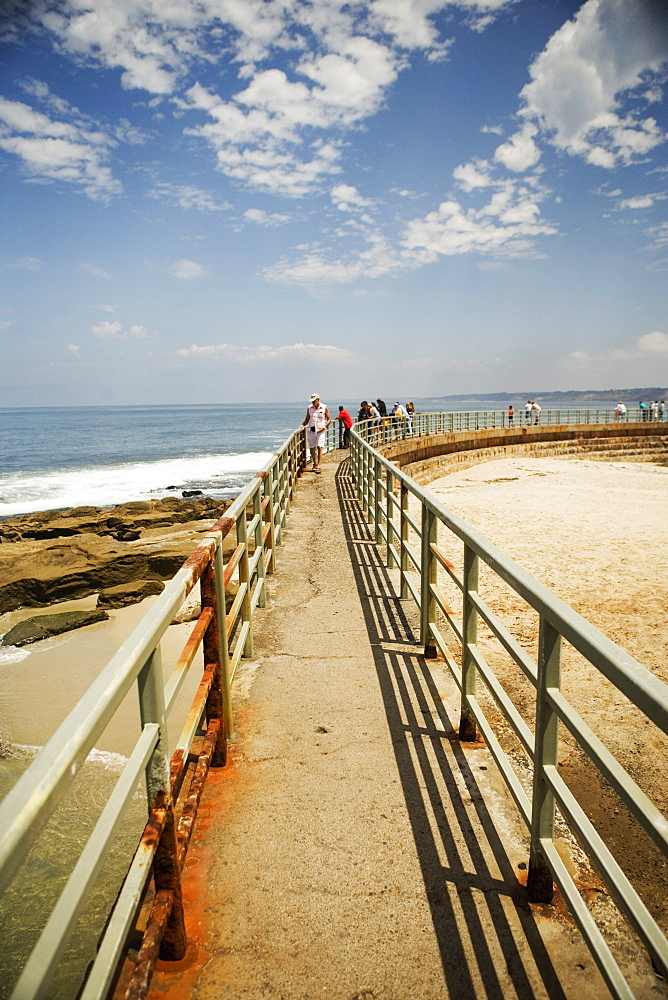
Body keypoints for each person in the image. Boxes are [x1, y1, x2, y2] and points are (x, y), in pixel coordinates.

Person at [302, 393, 330, 474]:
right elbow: (307, 419)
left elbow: (329, 419)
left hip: (320, 430)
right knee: (312, 448)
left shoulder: (324, 407)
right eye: (312, 401)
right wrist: (302, 425)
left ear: (318, 400)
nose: (313, 403)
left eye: (314, 401)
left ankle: (318, 465)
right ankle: (314, 462)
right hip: (312, 430)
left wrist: (324, 427)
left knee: (320, 447)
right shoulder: (309, 408)